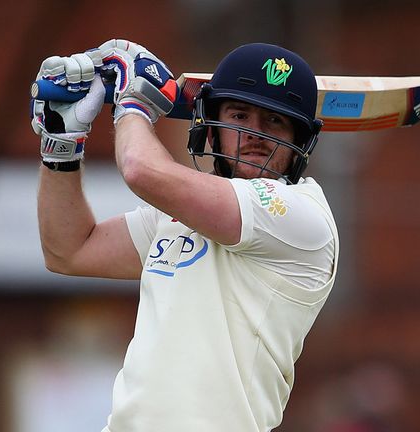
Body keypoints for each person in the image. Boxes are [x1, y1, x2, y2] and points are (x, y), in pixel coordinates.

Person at [31, 39, 339, 432]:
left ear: (300, 142)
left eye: (275, 120)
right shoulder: (177, 215)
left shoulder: (301, 216)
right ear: (210, 127)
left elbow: (141, 170)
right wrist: (61, 147)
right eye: (240, 115)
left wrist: (135, 102)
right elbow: (70, 250)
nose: (256, 134)